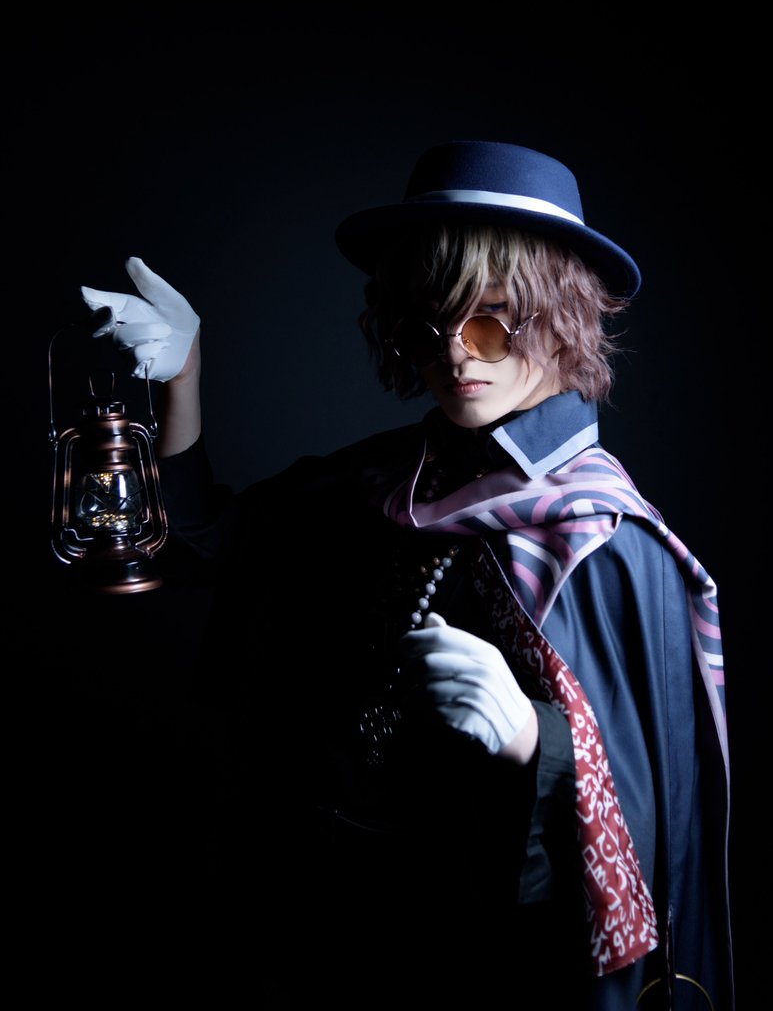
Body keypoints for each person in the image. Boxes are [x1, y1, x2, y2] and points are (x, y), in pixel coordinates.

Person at [79, 140, 733, 1008]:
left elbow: (656, 824)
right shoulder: (384, 476)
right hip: (311, 925)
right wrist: (184, 377)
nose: (456, 354)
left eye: (492, 320)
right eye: (430, 323)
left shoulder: (609, 540)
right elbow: (193, 544)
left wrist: (536, 738)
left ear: (562, 316)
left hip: (474, 958)